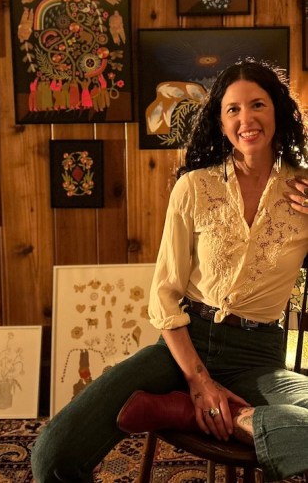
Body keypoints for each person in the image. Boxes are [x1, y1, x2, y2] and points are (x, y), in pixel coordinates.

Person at [31, 59, 308, 482]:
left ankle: (229, 418)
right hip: (182, 348)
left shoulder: (304, 190)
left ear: (278, 112)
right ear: (220, 122)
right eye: (233, 109)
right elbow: (164, 293)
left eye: (258, 105)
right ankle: (217, 409)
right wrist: (199, 381)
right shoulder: (194, 187)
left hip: (258, 359)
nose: (246, 119)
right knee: (53, 455)